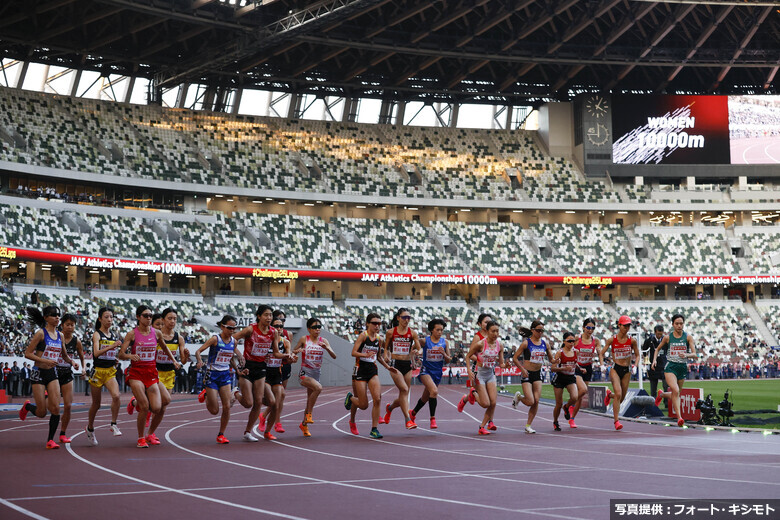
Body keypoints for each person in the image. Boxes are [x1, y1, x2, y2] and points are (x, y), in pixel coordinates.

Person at [118, 305, 181, 448]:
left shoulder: (156, 333)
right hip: (136, 374)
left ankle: (135, 403)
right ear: (138, 317)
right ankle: (141, 438)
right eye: (145, 315)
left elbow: (164, 347)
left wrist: (174, 361)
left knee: (158, 406)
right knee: (145, 406)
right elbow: (120, 354)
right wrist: (130, 355)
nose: (148, 318)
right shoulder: (132, 334)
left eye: (150, 316)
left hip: (151, 373)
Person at [231, 305, 282, 442]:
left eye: (270, 315)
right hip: (246, 366)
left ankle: (247, 432)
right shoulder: (250, 329)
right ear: (259, 316)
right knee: (248, 403)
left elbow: (276, 352)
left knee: (258, 402)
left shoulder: (273, 332)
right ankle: (235, 392)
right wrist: (239, 354)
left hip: (261, 368)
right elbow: (231, 341)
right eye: (266, 315)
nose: (269, 318)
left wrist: (286, 356)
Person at [344, 312, 397, 439]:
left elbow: (378, 356)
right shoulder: (363, 336)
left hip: (372, 370)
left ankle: (374, 429)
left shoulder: (379, 339)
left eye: (379, 324)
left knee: (378, 399)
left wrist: (387, 367)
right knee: (363, 405)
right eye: (374, 323)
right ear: (368, 324)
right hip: (360, 369)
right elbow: (353, 352)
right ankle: (351, 398)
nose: (377, 326)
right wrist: (364, 355)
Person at [19, 306, 64, 449]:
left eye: (58, 315)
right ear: (45, 317)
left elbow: (63, 354)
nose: (57, 317)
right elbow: (27, 353)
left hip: (52, 373)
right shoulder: (40, 334)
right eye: (53, 315)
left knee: (56, 408)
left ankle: (50, 440)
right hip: (38, 372)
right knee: (42, 413)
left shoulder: (60, 335)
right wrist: (46, 361)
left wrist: (72, 362)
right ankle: (27, 406)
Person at [195, 315, 243, 444]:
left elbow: (230, 358)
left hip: (225, 375)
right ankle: (206, 396)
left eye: (234, 328)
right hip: (212, 375)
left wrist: (237, 370)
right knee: (214, 410)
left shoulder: (234, 342)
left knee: (227, 406)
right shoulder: (215, 339)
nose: (232, 330)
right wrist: (199, 361)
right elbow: (198, 351)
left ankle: (221, 434)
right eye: (229, 328)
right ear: (222, 326)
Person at [143, 308, 188, 444]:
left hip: (169, 374)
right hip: (155, 372)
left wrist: (185, 356)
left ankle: (150, 433)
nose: (172, 321)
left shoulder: (178, 338)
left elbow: (182, 361)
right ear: (163, 320)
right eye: (169, 318)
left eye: (174, 319)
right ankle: (139, 403)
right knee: (164, 400)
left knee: (163, 406)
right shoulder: (156, 335)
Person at [457, 320, 509, 434]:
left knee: (493, 403)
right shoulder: (481, 344)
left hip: (490, 374)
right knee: (486, 404)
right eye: (493, 331)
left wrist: (506, 365)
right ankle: (473, 393)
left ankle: (482, 427)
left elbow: (501, 364)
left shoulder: (499, 345)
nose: (495, 334)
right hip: (479, 374)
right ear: (488, 331)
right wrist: (469, 370)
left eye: (497, 331)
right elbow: (468, 356)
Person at [292, 317, 337, 437]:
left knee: (309, 401)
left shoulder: (324, 341)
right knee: (318, 388)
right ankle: (309, 414)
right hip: (305, 373)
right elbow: (292, 352)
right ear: (308, 329)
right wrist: (296, 352)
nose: (317, 330)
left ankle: (304, 425)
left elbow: (334, 356)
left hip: (316, 373)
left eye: (319, 327)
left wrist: (327, 348)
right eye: (314, 327)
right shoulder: (304, 339)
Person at [652, 314, 698, 427]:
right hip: (670, 367)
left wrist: (686, 355)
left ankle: (661, 395)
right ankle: (679, 418)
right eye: (677, 323)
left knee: (676, 393)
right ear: (673, 324)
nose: (679, 326)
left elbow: (695, 355)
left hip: (682, 367)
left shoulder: (688, 337)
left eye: (681, 323)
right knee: (676, 390)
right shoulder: (668, 337)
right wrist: (654, 360)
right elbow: (657, 349)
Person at [86, 307, 123, 445]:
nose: (109, 320)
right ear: (100, 319)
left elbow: (110, 353)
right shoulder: (97, 334)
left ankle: (113, 424)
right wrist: (112, 347)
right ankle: (90, 427)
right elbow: (96, 353)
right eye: (106, 317)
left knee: (116, 396)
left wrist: (114, 358)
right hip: (97, 372)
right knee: (96, 404)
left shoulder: (113, 334)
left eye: (111, 317)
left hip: (109, 371)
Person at [381, 308, 422, 429]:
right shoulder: (390, 332)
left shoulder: (413, 333)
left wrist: (417, 351)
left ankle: (390, 408)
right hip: (395, 364)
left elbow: (420, 348)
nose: (407, 320)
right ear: (398, 318)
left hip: (407, 364)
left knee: (404, 394)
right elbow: (386, 348)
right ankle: (408, 420)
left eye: (409, 318)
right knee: (404, 390)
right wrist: (386, 356)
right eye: (404, 317)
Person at [599, 315, 641, 431]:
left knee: (621, 397)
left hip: (627, 371)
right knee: (618, 393)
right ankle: (616, 421)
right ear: (619, 325)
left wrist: (635, 366)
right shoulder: (612, 339)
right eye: (624, 326)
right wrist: (602, 364)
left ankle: (609, 395)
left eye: (628, 326)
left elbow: (637, 355)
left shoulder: (632, 341)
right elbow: (601, 353)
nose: (627, 328)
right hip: (615, 369)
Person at [511, 320, 554, 434]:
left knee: (536, 401)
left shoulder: (545, 344)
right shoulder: (526, 343)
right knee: (530, 401)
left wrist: (556, 360)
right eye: (538, 330)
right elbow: (515, 358)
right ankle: (519, 397)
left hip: (538, 373)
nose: (540, 333)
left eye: (542, 331)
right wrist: (522, 369)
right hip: (527, 373)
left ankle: (528, 425)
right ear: (532, 330)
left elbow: (551, 360)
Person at [410, 319, 452, 429]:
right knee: (434, 391)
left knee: (426, 397)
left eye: (441, 330)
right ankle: (432, 419)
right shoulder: (425, 341)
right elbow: (413, 347)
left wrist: (443, 354)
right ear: (431, 330)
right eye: (437, 330)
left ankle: (413, 413)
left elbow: (448, 360)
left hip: (437, 373)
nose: (440, 332)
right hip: (426, 371)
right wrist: (413, 361)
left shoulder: (445, 342)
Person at [259, 317, 294, 440]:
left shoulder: (285, 342)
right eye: (276, 326)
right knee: (271, 401)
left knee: (277, 401)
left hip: (276, 374)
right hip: (264, 374)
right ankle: (262, 414)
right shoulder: (265, 339)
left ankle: (268, 430)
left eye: (281, 326)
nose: (279, 329)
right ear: (271, 327)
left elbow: (288, 358)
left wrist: (292, 358)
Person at [56, 313, 85, 443]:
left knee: (68, 406)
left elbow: (82, 356)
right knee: (50, 407)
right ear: (62, 325)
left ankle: (62, 433)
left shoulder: (76, 341)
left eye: (72, 325)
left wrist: (83, 368)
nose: (69, 327)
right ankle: (29, 407)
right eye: (67, 324)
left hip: (67, 373)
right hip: (54, 373)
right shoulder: (55, 337)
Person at [571, 318, 601, 422]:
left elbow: (600, 353)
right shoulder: (576, 338)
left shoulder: (595, 340)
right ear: (583, 328)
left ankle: (572, 418)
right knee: (583, 390)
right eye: (588, 328)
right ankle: (570, 404)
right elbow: (568, 348)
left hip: (588, 368)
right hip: (577, 367)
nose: (590, 330)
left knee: (581, 395)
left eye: (592, 328)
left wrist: (601, 363)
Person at [551, 332, 579, 431]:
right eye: (569, 341)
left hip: (570, 377)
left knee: (575, 397)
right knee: (558, 403)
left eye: (573, 341)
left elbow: (575, 363)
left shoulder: (576, 352)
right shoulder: (560, 353)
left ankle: (566, 407)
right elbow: (553, 368)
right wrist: (563, 368)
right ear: (564, 341)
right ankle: (555, 421)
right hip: (560, 377)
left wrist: (580, 368)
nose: (572, 343)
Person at [644, 324, 667, 406]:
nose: (660, 335)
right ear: (655, 332)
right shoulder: (649, 340)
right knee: (653, 387)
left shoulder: (665, 340)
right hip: (653, 367)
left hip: (664, 366)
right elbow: (645, 352)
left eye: (661, 334)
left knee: (666, 386)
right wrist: (647, 364)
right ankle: (653, 404)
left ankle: (667, 403)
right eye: (658, 334)